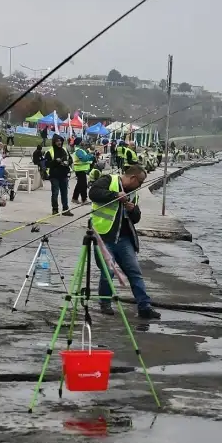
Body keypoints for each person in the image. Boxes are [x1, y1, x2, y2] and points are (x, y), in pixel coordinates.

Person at [89, 164, 160, 319]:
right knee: (108, 272)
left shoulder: (134, 193)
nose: (140, 186)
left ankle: (144, 306)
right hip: (104, 236)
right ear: (133, 178)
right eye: (140, 182)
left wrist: (132, 209)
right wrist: (115, 195)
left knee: (135, 273)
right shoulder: (108, 180)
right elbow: (93, 193)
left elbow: (136, 218)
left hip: (124, 240)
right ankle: (105, 302)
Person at [45, 133, 73, 216]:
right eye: (57, 141)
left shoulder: (65, 149)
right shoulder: (50, 152)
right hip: (54, 176)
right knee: (55, 193)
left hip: (64, 175)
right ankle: (55, 209)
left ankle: (65, 209)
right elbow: (46, 164)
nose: (59, 142)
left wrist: (67, 162)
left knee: (64, 193)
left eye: (60, 140)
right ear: (54, 142)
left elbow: (70, 159)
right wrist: (55, 161)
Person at [71, 137, 93, 205]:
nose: (84, 142)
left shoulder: (81, 150)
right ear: (80, 143)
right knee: (83, 185)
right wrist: (90, 154)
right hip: (80, 170)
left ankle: (74, 198)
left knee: (79, 185)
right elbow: (84, 159)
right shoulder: (79, 151)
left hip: (81, 170)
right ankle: (84, 200)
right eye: (82, 141)